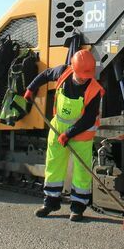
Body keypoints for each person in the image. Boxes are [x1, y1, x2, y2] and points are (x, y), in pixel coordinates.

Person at [23, 49, 104, 222]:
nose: (84, 78)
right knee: (54, 165)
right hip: (57, 129)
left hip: (81, 134)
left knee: (81, 172)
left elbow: (89, 118)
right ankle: (50, 202)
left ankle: (78, 207)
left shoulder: (94, 90)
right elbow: (45, 75)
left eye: (87, 75)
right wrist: (31, 88)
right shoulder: (62, 72)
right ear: (73, 68)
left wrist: (69, 134)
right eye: (81, 74)